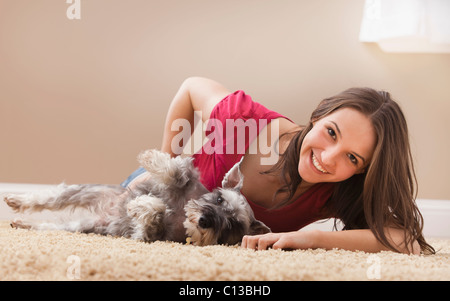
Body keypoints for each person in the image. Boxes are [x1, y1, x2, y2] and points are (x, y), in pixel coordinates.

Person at [123, 77, 435, 255]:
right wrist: (166, 166)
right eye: (331, 133)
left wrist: (309, 238)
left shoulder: (338, 191)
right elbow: (191, 88)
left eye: (352, 158)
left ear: (362, 170)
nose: (328, 159)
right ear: (319, 114)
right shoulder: (241, 122)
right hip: (156, 192)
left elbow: (406, 240)